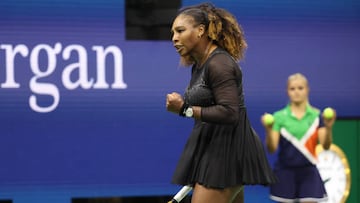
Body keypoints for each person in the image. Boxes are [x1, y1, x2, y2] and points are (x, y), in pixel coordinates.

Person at [166, 3, 277, 203]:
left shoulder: (220, 64)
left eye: (180, 31)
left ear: (200, 31)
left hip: (229, 154)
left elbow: (229, 112)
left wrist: (185, 109)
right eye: (173, 32)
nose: (174, 38)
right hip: (217, 150)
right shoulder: (199, 65)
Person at [260, 73, 336, 203]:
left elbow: (326, 146)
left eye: (300, 88)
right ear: (287, 91)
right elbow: (272, 149)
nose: (296, 92)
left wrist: (328, 128)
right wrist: (268, 130)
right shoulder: (278, 117)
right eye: (292, 89)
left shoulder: (317, 116)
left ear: (307, 90)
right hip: (285, 172)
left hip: (309, 172)